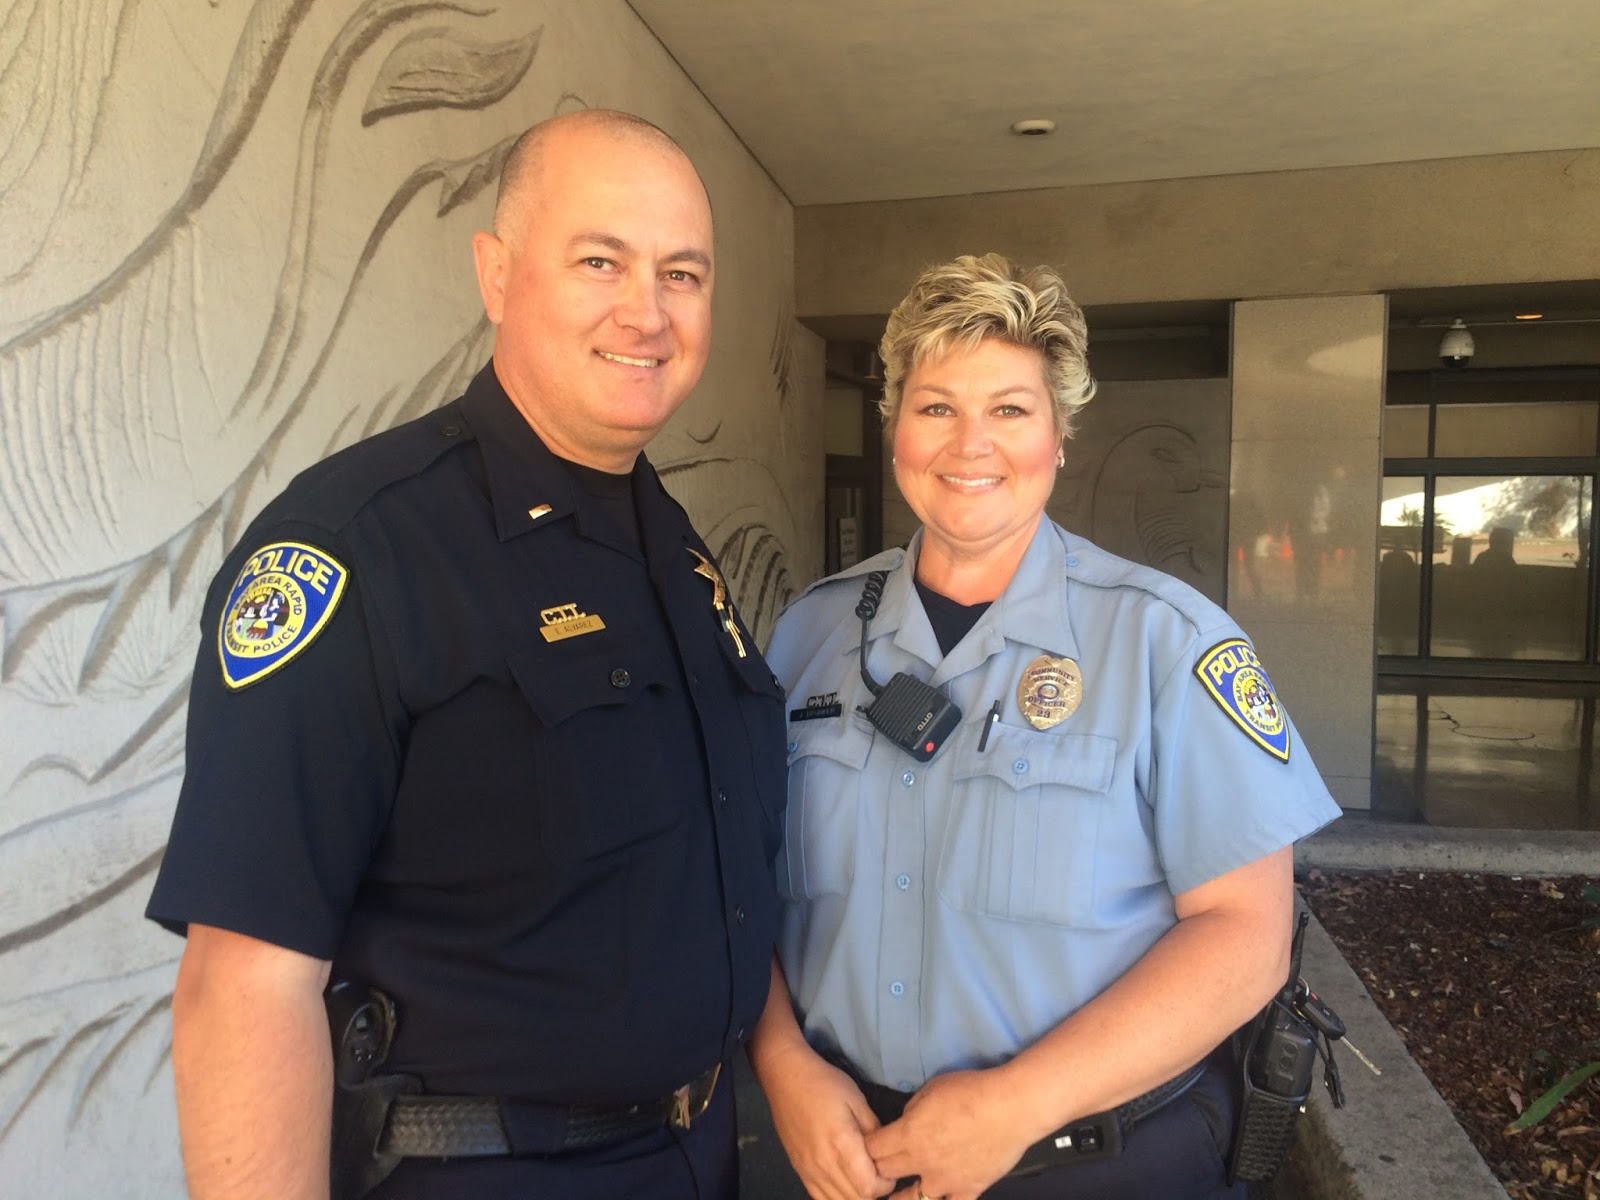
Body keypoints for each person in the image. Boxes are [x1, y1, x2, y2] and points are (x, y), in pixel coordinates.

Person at [146, 109, 786, 1200]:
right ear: (497, 274)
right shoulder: (357, 547)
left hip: (698, 1153)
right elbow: (242, 985)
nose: (647, 311)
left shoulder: (671, 545)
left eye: (682, 274)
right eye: (600, 260)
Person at [748, 253, 1341, 1200]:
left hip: (1092, 1163)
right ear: (896, 428)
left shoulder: (1165, 640)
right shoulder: (810, 634)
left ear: (1060, 437)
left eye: (1011, 410)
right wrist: (782, 1065)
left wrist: (1016, 1106)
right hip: (846, 1157)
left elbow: (1245, 940)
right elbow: (743, 882)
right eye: (936, 405)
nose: (969, 443)